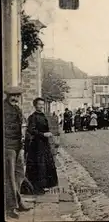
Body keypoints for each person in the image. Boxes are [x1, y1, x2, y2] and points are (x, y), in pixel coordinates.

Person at [4, 86, 33, 218]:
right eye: (13, 96)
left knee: (19, 174)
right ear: (8, 96)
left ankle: (18, 201)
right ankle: (11, 207)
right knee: (9, 178)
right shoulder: (4, 109)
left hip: (17, 145)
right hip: (8, 146)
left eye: (17, 96)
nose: (15, 98)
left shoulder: (16, 108)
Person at [25, 97, 59, 196]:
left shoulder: (43, 115)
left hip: (44, 143)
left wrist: (48, 133)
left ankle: (44, 185)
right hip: (36, 144)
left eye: (42, 104)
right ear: (35, 105)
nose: (41, 106)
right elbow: (31, 130)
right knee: (38, 165)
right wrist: (43, 134)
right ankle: (36, 187)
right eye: (39, 104)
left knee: (45, 164)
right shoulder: (33, 117)